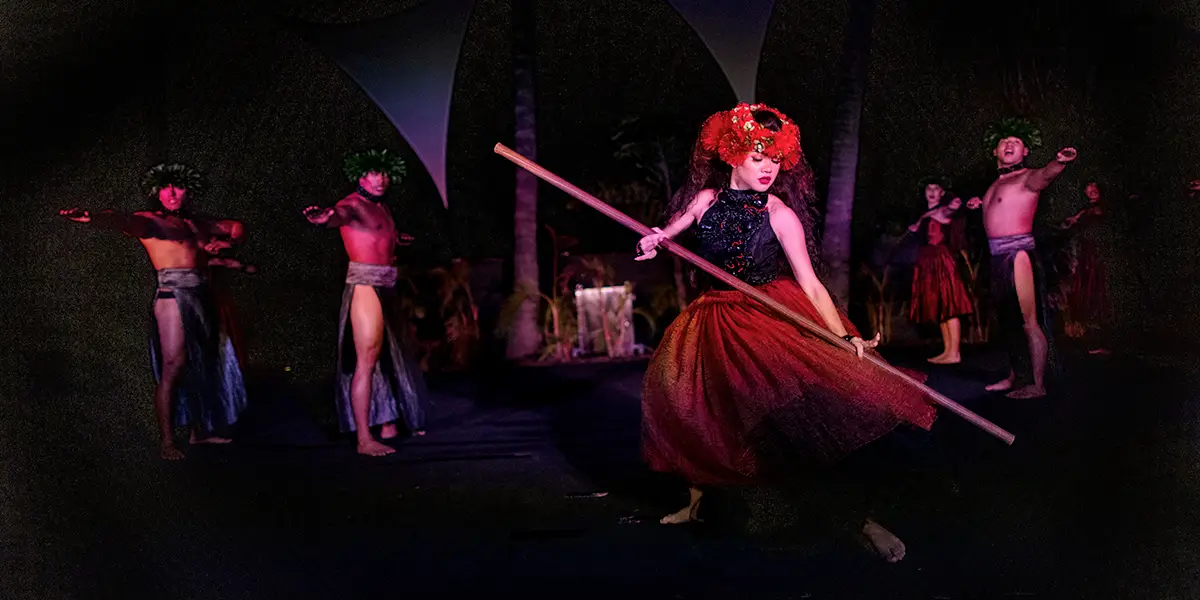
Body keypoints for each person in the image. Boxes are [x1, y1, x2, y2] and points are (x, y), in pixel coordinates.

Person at [634, 103, 938, 562]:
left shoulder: (780, 215)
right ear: (733, 153)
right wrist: (654, 239)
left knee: (787, 431)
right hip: (711, 320)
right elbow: (668, 234)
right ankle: (696, 504)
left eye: (774, 159)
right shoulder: (705, 201)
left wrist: (844, 337)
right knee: (689, 406)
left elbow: (812, 286)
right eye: (758, 157)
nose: (768, 168)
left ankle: (860, 521)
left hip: (763, 318)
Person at [59, 163, 249, 460]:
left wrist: (226, 241)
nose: (172, 193)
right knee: (173, 365)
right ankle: (167, 441)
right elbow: (122, 220)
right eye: (165, 188)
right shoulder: (151, 222)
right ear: (156, 193)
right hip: (172, 296)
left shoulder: (197, 223)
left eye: (178, 187)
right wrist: (93, 217)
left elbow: (237, 226)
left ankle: (199, 433)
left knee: (202, 362)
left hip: (201, 295)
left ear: (189, 191)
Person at [303, 149, 427, 457]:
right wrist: (325, 217)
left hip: (387, 284)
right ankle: (363, 438)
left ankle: (388, 421)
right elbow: (338, 216)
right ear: (361, 176)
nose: (382, 179)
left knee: (390, 355)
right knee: (367, 359)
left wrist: (398, 239)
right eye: (375, 173)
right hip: (365, 285)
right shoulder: (352, 205)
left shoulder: (382, 206)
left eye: (385, 173)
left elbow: (381, 238)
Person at [965, 118, 1076, 399]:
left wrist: (1059, 162)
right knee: (1008, 322)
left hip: (1018, 256)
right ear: (995, 151)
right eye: (1005, 141)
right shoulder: (995, 184)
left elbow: (1046, 176)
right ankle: (1015, 376)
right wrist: (978, 205)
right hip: (996, 258)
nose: (1010, 144)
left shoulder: (1028, 177)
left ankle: (1037, 385)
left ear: (1026, 151)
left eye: (1017, 142)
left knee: (1029, 321)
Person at [906, 176, 974, 364]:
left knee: (949, 304)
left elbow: (952, 209)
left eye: (936, 188)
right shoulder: (925, 212)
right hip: (927, 260)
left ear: (942, 192)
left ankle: (955, 352)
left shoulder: (942, 211)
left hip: (941, 259)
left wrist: (955, 203)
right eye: (929, 187)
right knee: (941, 307)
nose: (932, 191)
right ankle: (948, 351)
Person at [1058, 180, 1109, 354]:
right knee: (1088, 294)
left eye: (1095, 187)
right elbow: (1069, 225)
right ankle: (1092, 337)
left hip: (1102, 256)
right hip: (1087, 258)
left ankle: (1103, 338)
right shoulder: (1084, 211)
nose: (1092, 191)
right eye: (1089, 189)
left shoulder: (1106, 208)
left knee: (1100, 294)